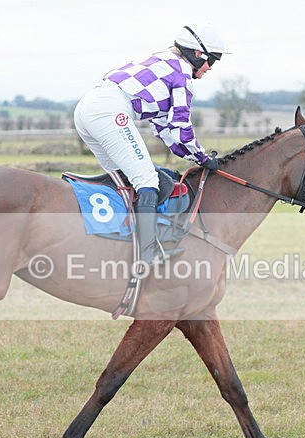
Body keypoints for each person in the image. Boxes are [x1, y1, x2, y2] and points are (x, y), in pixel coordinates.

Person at [74, 24, 225, 266]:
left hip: (88, 107)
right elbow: (181, 125)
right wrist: (203, 158)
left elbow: (164, 128)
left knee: (123, 180)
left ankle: (115, 243)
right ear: (198, 54)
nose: (210, 69)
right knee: (146, 180)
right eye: (212, 61)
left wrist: (190, 155)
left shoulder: (163, 60)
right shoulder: (183, 73)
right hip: (110, 109)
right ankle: (147, 253)